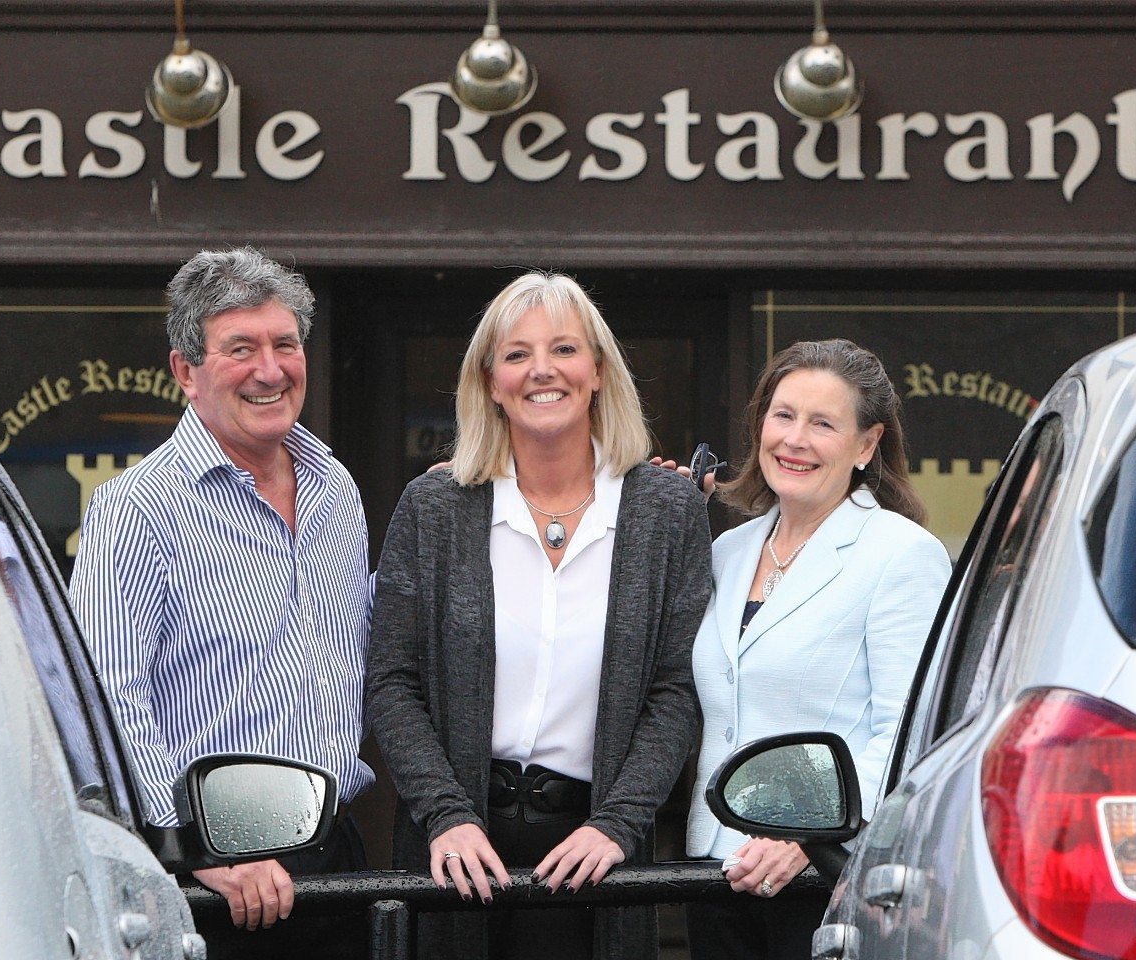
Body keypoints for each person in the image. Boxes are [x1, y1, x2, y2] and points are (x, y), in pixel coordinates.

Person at [366, 271, 711, 960]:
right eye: (517, 354)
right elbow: (392, 683)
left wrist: (619, 823)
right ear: (490, 380)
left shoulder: (667, 514)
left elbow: (677, 691)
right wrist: (446, 816)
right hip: (456, 848)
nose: (541, 370)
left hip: (595, 849)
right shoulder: (434, 509)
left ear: (598, 371)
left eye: (563, 349)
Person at [70, 246, 374, 948]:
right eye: (241, 348)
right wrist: (195, 850)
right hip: (218, 882)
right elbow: (108, 702)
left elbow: (363, 639)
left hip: (337, 860)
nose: (269, 370)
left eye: (284, 344)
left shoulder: (337, 489)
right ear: (187, 370)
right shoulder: (136, 509)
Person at [682, 339, 950, 960]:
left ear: (866, 445)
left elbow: (911, 730)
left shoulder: (900, 554)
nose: (795, 439)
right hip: (712, 866)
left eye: (822, 424)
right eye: (783, 415)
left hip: (824, 877)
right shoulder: (728, 551)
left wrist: (812, 834)